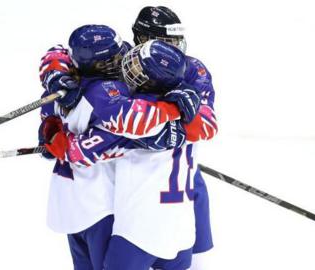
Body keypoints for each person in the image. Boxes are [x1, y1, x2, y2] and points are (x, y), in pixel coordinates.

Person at [38, 25, 201, 270]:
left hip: (73, 203)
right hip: (100, 205)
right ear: (98, 64)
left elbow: (51, 123)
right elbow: (125, 126)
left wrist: (50, 131)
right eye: (114, 58)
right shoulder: (110, 93)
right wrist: (172, 111)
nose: (123, 59)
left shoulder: (63, 87)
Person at [130, 6, 217, 269]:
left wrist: (166, 132)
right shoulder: (124, 61)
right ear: (142, 39)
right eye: (168, 41)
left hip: (178, 168)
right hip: (129, 174)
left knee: (195, 194)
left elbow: (207, 125)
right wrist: (58, 69)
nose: (177, 48)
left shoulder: (192, 69)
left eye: (177, 40)